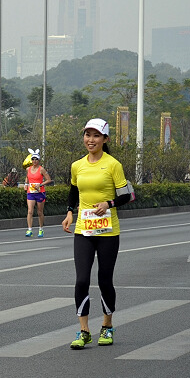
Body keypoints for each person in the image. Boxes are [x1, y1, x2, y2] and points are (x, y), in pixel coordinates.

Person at [62, 118, 133, 350]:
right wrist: (70, 212)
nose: (90, 140)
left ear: (105, 139)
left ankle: (107, 325)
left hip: (108, 230)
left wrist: (108, 202)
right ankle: (83, 331)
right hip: (84, 229)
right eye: (87, 135)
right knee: (81, 279)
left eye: (95, 136)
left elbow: (127, 196)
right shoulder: (77, 165)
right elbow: (73, 190)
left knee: (104, 279)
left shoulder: (113, 164)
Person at [25, 151, 52, 237]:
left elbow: (49, 180)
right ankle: (29, 230)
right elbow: (27, 177)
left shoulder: (41, 169)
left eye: (36, 159)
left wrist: (40, 185)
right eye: (33, 159)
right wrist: (26, 185)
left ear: (39, 160)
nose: (35, 161)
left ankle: (41, 229)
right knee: (30, 211)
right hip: (31, 192)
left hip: (40, 192)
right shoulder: (28, 169)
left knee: (40, 212)